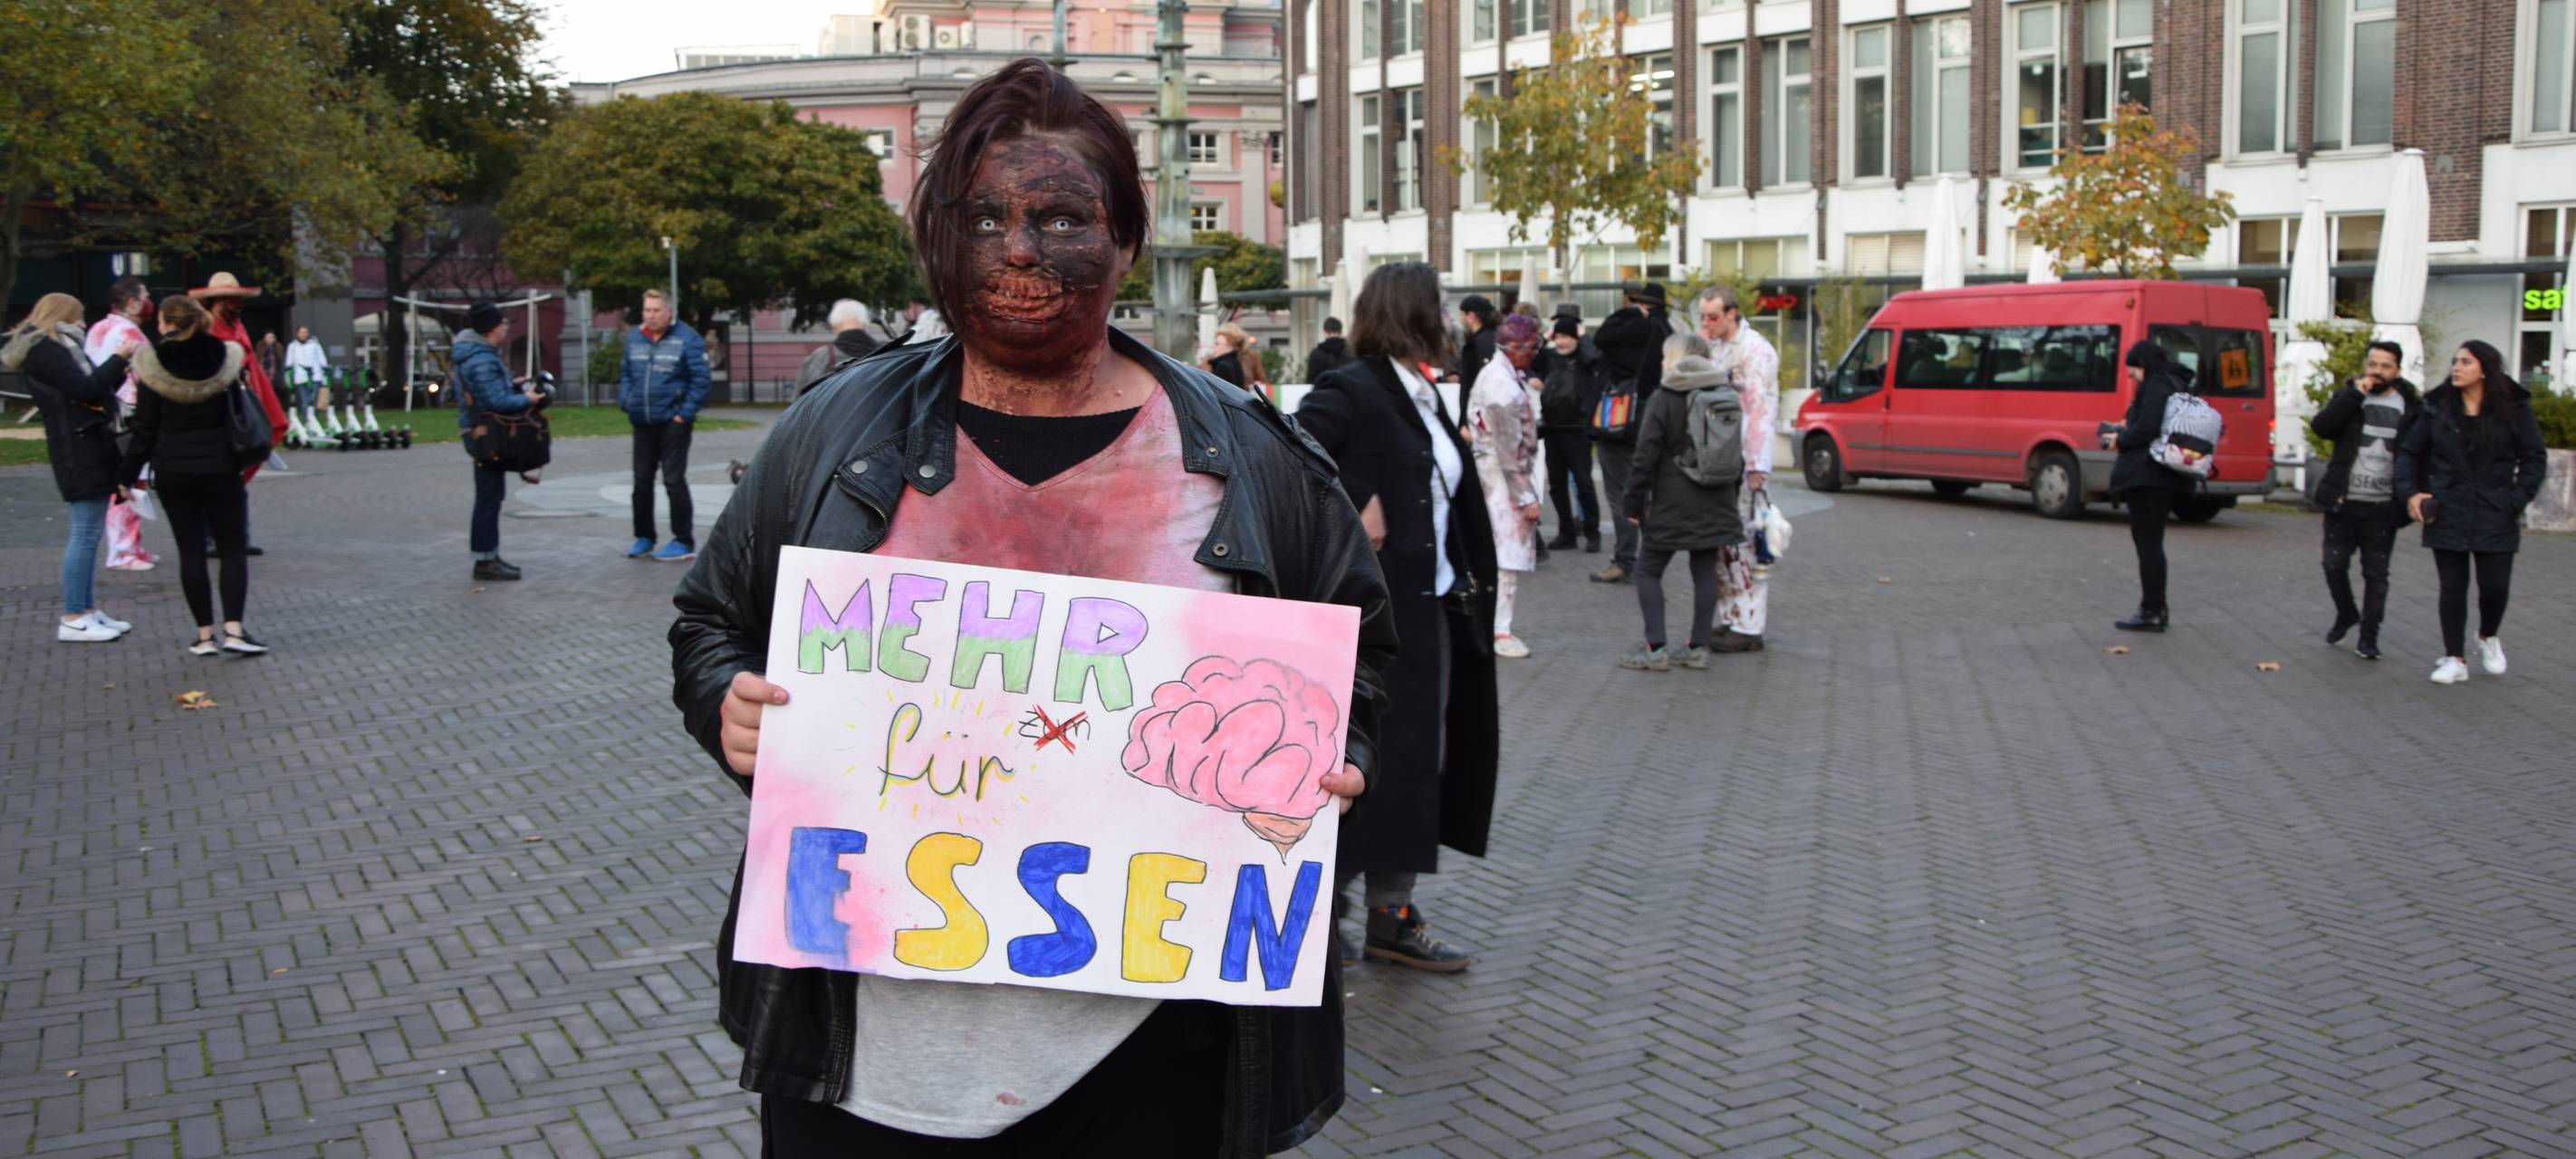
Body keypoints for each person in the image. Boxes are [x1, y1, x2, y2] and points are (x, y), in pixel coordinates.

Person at [667, 60, 1391, 1156]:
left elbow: (1362, 657)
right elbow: (710, 618)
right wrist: (728, 701)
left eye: (1060, 216)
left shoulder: (1250, 457)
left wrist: (1337, 751)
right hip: (868, 1063)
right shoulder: (832, 434)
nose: (1017, 249)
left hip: (1156, 1053)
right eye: (985, 217)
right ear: (937, 239)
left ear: (1125, 240)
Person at [1298, 260, 1500, 974]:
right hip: (1379, 620)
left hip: (1437, 606)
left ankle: (1390, 911)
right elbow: (1291, 449)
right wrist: (1356, 491)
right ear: (1410, 309)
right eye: (1438, 303)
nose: (1447, 317)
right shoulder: (1351, 388)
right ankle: (1325, 909)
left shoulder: (1423, 391)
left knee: (1420, 767)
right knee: (1371, 766)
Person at [118, 294, 266, 656]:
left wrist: (125, 474)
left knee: (191, 552)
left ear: (168, 323)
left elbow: (145, 429)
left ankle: (203, 636)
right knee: (232, 549)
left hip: (173, 468)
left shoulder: (152, 363)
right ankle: (234, 630)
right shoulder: (224, 356)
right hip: (220, 467)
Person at [2397, 340, 2547, 685]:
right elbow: (2409, 452)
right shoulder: (2437, 409)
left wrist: (2516, 498)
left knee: (2494, 586)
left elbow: (2534, 457)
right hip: (2448, 507)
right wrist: (2412, 494)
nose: (2457, 367)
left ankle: (2487, 635)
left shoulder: (2514, 408)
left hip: (2497, 508)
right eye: (2455, 361)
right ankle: (2455, 658)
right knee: (2452, 586)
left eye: (2466, 361)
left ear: (2485, 369)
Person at [5, 293, 142, 642]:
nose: (83, 324)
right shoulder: (49, 350)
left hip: (84, 443)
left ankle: (86, 609)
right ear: (63, 315)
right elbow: (87, 388)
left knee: (90, 533)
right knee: (83, 533)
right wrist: (119, 358)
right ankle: (72, 615)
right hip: (77, 448)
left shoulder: (54, 349)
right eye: (79, 317)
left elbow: (92, 390)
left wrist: (117, 366)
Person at [1617, 335, 1742, 671]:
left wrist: (1632, 503)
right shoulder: (1726, 394)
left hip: (1672, 500)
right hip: (1718, 496)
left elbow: (1645, 455)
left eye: (1664, 358)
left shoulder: (1665, 397)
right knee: (1703, 570)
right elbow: (1736, 454)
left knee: (1648, 569)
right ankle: (1698, 647)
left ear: (1676, 359)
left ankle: (1656, 648)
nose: (1661, 364)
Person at [2308, 340, 2419, 660]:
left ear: (2397, 371)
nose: (2377, 371)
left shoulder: (2411, 406)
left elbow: (2421, 454)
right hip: (2344, 501)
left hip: (2384, 506)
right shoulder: (2350, 397)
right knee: (2333, 564)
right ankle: (2347, 613)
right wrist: (2353, 395)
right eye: (2373, 364)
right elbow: (2322, 428)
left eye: (2385, 366)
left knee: (2376, 573)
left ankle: (2369, 637)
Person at [1697, 284, 1778, 652]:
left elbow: (1761, 410)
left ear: (1732, 314)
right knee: (1722, 543)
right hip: (1718, 456)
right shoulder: (1713, 347)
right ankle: (1731, 617)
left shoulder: (1757, 350)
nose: (1707, 323)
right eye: (1702, 316)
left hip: (1743, 458)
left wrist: (1759, 464)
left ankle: (1749, 626)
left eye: (1713, 316)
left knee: (1744, 541)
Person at [190, 273, 287, 556]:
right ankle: (213, 538)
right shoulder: (207, 330)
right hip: (219, 413)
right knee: (218, 480)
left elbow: (250, 368)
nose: (238, 305)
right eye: (232, 300)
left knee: (234, 480)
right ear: (216, 301)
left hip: (239, 408)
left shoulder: (236, 327)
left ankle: (237, 538)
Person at [1468, 312, 1544, 659]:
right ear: (1516, 347)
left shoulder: (1500, 376)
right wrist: (1525, 496)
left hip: (1495, 474)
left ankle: (1495, 625)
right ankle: (1499, 628)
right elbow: (1509, 450)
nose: (1536, 352)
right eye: (1533, 346)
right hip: (1500, 480)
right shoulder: (1502, 387)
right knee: (1506, 558)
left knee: (1499, 555)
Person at [2106, 340, 2196, 632]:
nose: (2133, 378)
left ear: (2143, 365)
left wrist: (2120, 439)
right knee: (2151, 543)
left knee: (2148, 545)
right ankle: (2156, 607)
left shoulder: (2158, 385)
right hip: (2161, 476)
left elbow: (2148, 427)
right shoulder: (2173, 382)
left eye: (2133, 372)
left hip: (2149, 477)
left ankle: (2152, 610)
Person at [453, 302, 547, 581]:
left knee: (489, 496)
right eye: (503, 323)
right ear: (493, 328)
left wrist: (511, 384)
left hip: (480, 431)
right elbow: (495, 401)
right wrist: (527, 399)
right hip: (486, 434)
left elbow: (490, 390)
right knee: (488, 498)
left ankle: (488, 556)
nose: (506, 327)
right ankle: (485, 560)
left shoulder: (476, 353)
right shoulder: (480, 358)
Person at [1586, 282, 1670, 583]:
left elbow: (1603, 337)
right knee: (1647, 492)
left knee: (1619, 491)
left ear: (1640, 304)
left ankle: (1624, 560)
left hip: (1621, 417)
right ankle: (1651, 559)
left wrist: (1629, 315)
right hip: (1656, 418)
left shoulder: (1633, 327)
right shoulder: (1667, 332)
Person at [618, 288, 711, 561]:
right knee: (641, 482)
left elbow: (701, 380)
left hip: (674, 423)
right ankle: (644, 537)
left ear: (669, 311)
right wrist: (626, 401)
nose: (651, 315)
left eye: (656, 310)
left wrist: (684, 414)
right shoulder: (634, 338)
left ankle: (683, 540)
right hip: (642, 421)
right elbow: (625, 374)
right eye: (647, 310)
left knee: (673, 480)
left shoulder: (688, 339)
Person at [84, 275, 159, 572]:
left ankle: (131, 544)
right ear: (132, 302)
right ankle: (122, 550)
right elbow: (149, 374)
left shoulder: (97, 329)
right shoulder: (131, 333)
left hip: (106, 411)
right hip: (129, 413)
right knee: (129, 481)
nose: (149, 302)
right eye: (145, 296)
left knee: (127, 480)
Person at [794, 299, 884, 393]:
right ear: (864, 322)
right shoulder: (886, 354)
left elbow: (802, 402)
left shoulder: (821, 357)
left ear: (835, 323)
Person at [1199, 321, 1273, 402]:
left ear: (1231, 344)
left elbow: (1261, 379)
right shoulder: (1214, 359)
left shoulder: (1250, 357)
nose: (1215, 347)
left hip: (1244, 399)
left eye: (1218, 343)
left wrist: (1256, 385)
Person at [1451, 293, 1497, 389]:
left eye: (1461, 314)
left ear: (1471, 316)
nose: (1460, 319)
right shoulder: (1497, 337)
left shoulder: (1475, 345)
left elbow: (1470, 380)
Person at [284, 325, 330, 413]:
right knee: (305, 401)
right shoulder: (292, 346)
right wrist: (288, 372)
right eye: (302, 332)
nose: (304, 334)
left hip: (315, 376)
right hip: (300, 377)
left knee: (313, 399)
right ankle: (307, 422)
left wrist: (324, 369)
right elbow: (289, 361)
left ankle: (314, 420)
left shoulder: (315, 344)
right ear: (297, 334)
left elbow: (322, 358)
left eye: (306, 332)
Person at [1306, 316, 1352, 381]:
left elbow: (1310, 381)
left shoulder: (1316, 354)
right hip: (1344, 390)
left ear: (1325, 333)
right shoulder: (1350, 353)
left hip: (1322, 390)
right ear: (1341, 333)